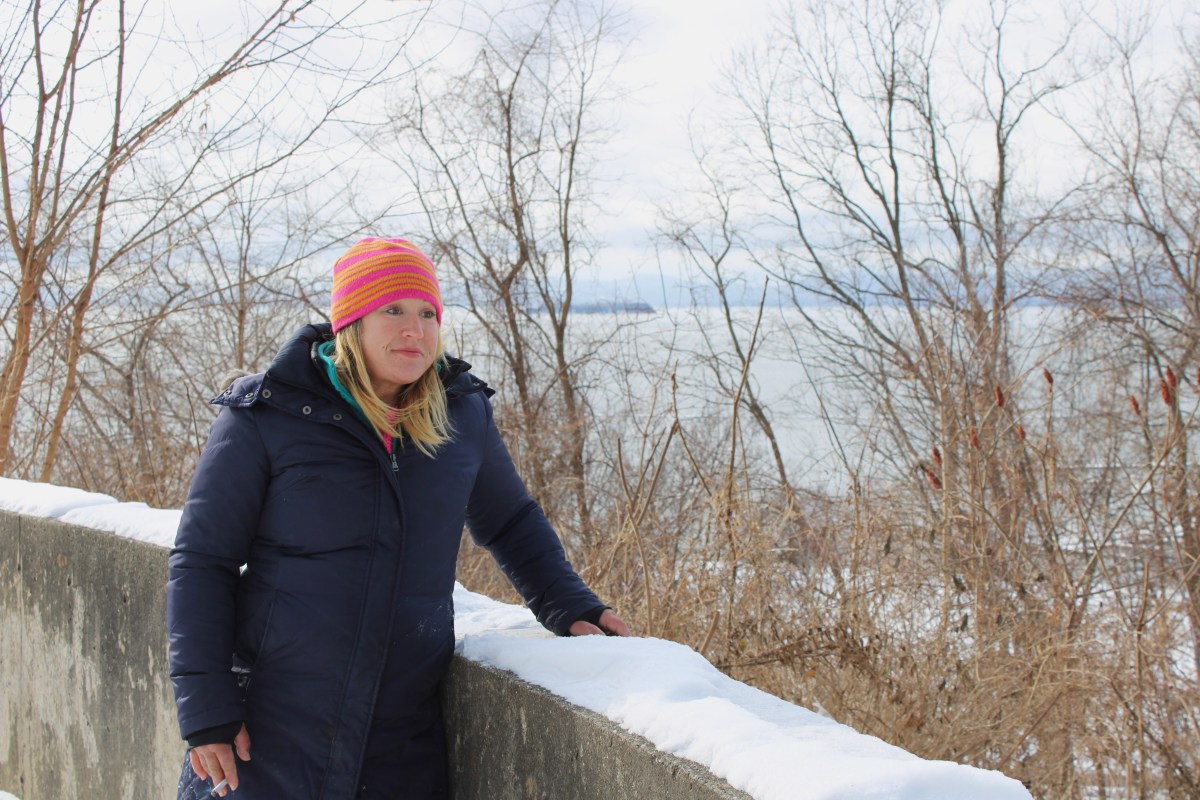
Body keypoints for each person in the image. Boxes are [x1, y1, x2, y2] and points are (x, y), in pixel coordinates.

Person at [167, 237, 630, 800]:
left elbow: (509, 520)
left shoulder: (462, 415)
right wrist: (207, 707)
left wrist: (571, 605)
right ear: (352, 324)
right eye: (393, 311)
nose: (415, 330)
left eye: (428, 313)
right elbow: (203, 561)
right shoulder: (268, 415)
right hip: (267, 732)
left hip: (398, 740)